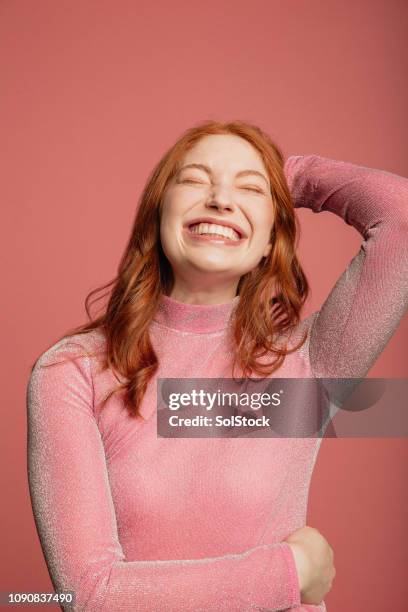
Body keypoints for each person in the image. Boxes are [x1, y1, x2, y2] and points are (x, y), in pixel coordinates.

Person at [26, 120, 408, 611]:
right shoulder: (72, 372)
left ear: (273, 239)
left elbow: (400, 216)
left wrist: (293, 175)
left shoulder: (308, 364)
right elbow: (91, 596)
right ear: (157, 214)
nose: (221, 200)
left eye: (249, 189)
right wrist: (291, 572)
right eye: (194, 181)